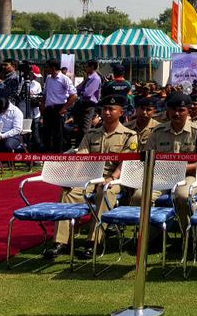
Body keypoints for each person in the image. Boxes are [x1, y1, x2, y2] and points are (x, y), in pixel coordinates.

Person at [46, 94, 138, 261]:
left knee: (105, 191)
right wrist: (72, 179)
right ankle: (61, 241)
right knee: (68, 192)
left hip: (114, 179)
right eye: (104, 109)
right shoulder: (91, 134)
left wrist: (112, 178)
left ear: (121, 112)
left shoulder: (129, 135)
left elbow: (125, 162)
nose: (107, 112)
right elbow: (81, 158)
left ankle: (94, 241)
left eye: (111, 109)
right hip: (89, 176)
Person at [142, 92, 197, 229]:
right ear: (168, 110)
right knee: (141, 196)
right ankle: (153, 234)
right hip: (162, 176)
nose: (177, 113)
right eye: (173, 109)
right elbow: (147, 157)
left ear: (188, 111)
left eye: (181, 110)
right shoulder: (158, 132)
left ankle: (187, 233)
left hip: (188, 176)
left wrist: (183, 168)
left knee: (183, 196)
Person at [41, 60, 77, 153]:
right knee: (46, 133)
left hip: (59, 108)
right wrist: (42, 105)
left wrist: (64, 108)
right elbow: (45, 93)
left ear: (53, 68)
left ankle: (58, 155)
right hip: (48, 108)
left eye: (47, 67)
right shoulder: (48, 78)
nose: (46, 69)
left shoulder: (64, 79)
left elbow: (73, 95)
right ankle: (47, 154)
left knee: (58, 133)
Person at [72, 60, 102, 138]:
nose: (85, 68)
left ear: (92, 67)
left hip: (89, 105)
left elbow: (87, 93)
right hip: (83, 104)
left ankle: (85, 143)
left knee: (85, 128)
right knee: (80, 127)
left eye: (87, 66)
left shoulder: (95, 78)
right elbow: (77, 88)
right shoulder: (89, 78)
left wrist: (80, 93)